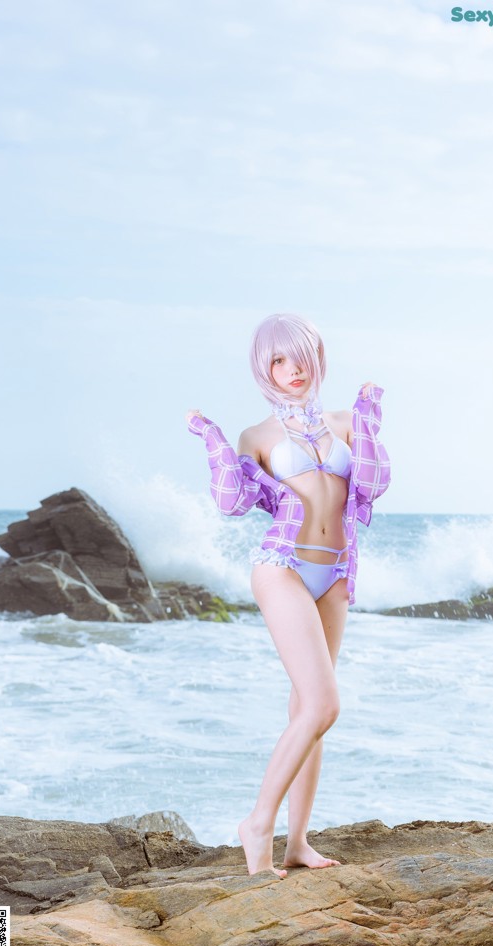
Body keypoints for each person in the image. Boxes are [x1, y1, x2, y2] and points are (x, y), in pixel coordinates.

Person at [186, 313, 390, 878]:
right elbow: (229, 502)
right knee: (324, 703)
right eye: (278, 360)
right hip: (283, 567)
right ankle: (258, 824)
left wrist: (369, 415)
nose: (292, 369)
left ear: (316, 357)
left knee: (309, 711)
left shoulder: (347, 421)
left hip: (337, 573)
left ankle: (297, 842)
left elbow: (372, 483)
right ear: (263, 368)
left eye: (300, 356)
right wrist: (213, 438)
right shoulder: (257, 437)